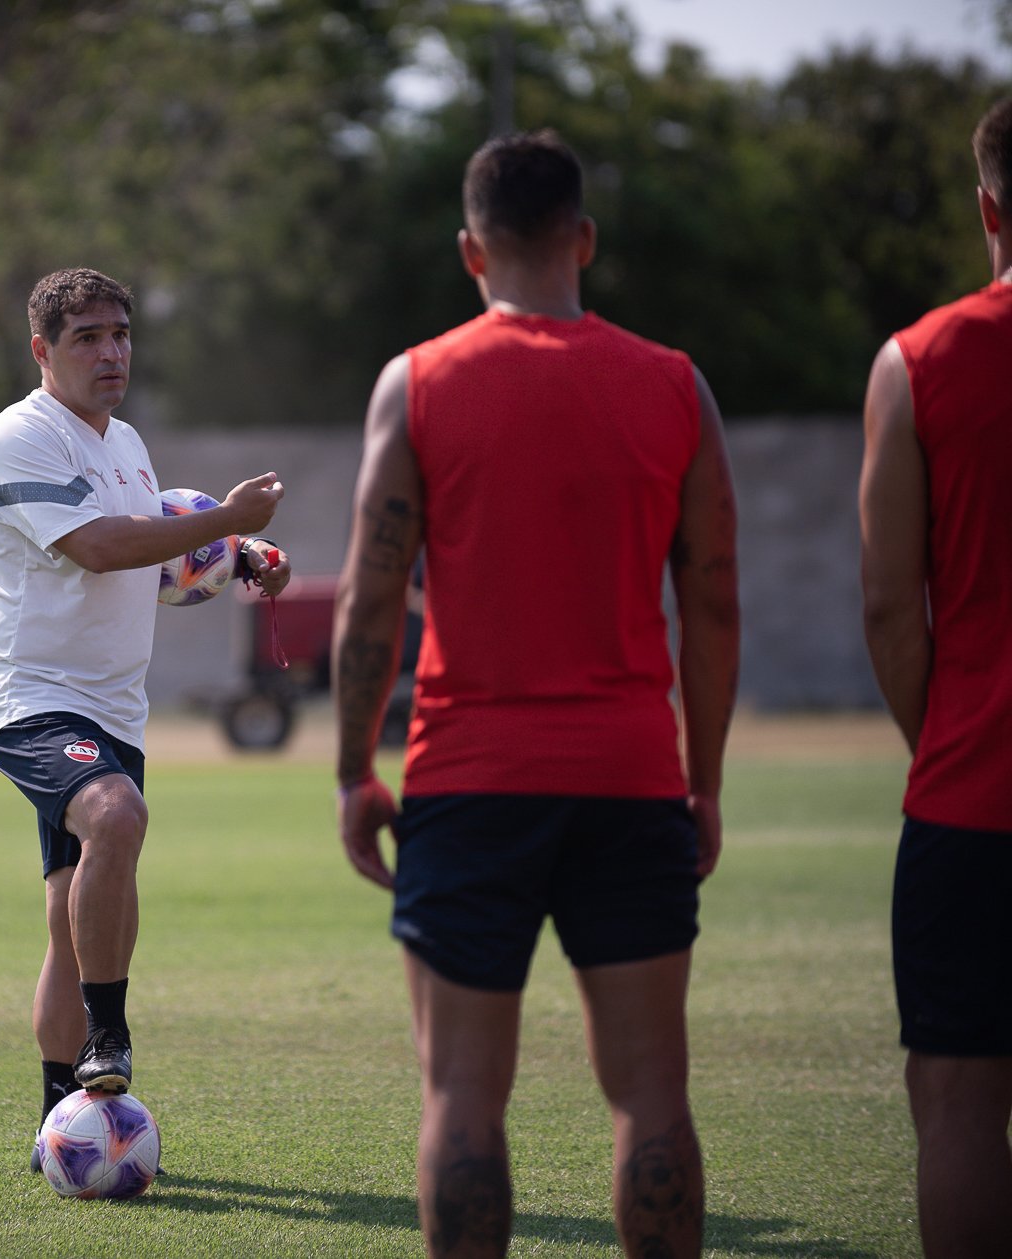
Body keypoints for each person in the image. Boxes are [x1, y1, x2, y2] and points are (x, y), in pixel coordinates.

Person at [331, 130, 739, 1259]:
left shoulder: (415, 383)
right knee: (651, 1096)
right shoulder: (675, 385)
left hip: (469, 785)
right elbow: (713, 604)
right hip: (630, 779)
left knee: (461, 1096)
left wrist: (351, 770)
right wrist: (699, 782)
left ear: (470, 250)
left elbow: (369, 603)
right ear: (585, 239)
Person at [0, 267, 291, 1160]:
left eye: (120, 334)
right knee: (117, 814)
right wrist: (224, 515)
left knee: (71, 913)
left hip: (113, 707)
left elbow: (157, 553)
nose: (112, 352)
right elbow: (104, 545)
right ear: (42, 351)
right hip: (32, 699)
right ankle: (106, 1042)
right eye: (87, 338)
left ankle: (53, 1126)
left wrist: (241, 549)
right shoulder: (19, 439)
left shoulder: (126, 442)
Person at [859, 97, 1012, 1259]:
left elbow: (886, 606)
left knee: (958, 1102)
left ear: (985, 207)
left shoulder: (920, 360)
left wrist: (949, 736)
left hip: (975, 794)